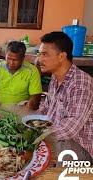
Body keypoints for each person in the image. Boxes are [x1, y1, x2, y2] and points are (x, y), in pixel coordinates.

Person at [38, 31, 93, 166]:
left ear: (62, 56)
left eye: (44, 54)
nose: (40, 59)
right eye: (40, 54)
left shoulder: (81, 83)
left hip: (79, 146)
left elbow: (70, 129)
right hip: (57, 135)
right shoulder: (55, 78)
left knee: (61, 152)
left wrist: (38, 136)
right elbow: (45, 108)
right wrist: (30, 124)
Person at [0, 41, 42, 110]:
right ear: (5, 55)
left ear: (23, 58)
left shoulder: (32, 70)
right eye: (8, 58)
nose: (11, 62)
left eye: (15, 60)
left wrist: (29, 107)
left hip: (22, 105)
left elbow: (35, 95)